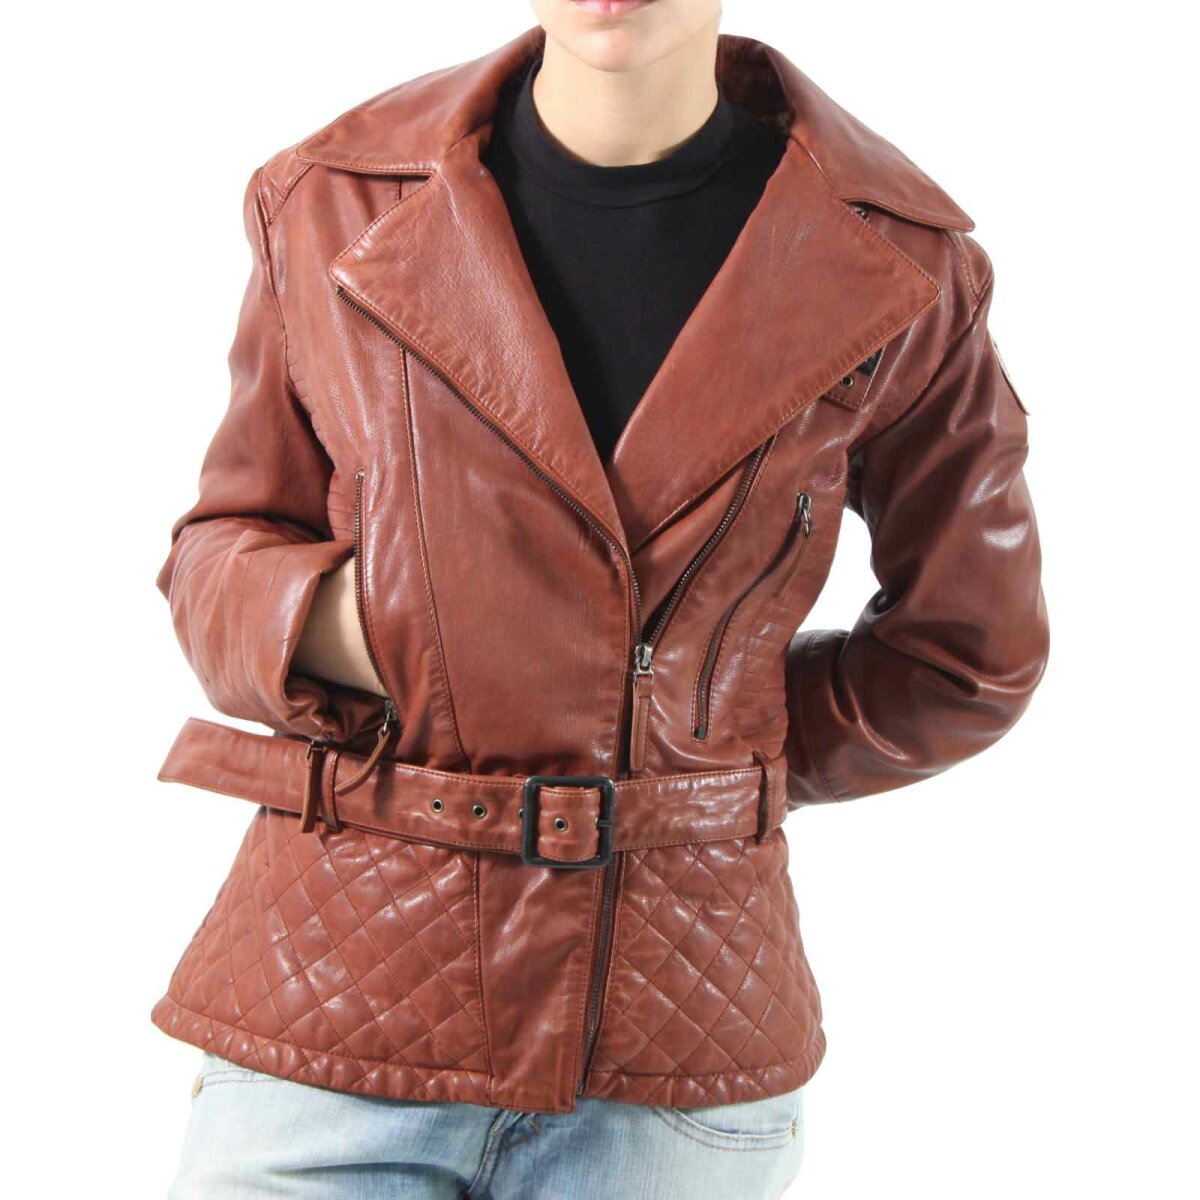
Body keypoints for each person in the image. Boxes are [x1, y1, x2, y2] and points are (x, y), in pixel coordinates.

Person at [154, 3, 1049, 1197]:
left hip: (670, 1046)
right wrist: (373, 631)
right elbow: (221, 551)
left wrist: (698, 743)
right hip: (336, 1012)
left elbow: (965, 657)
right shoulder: (332, 198)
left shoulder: (901, 261)